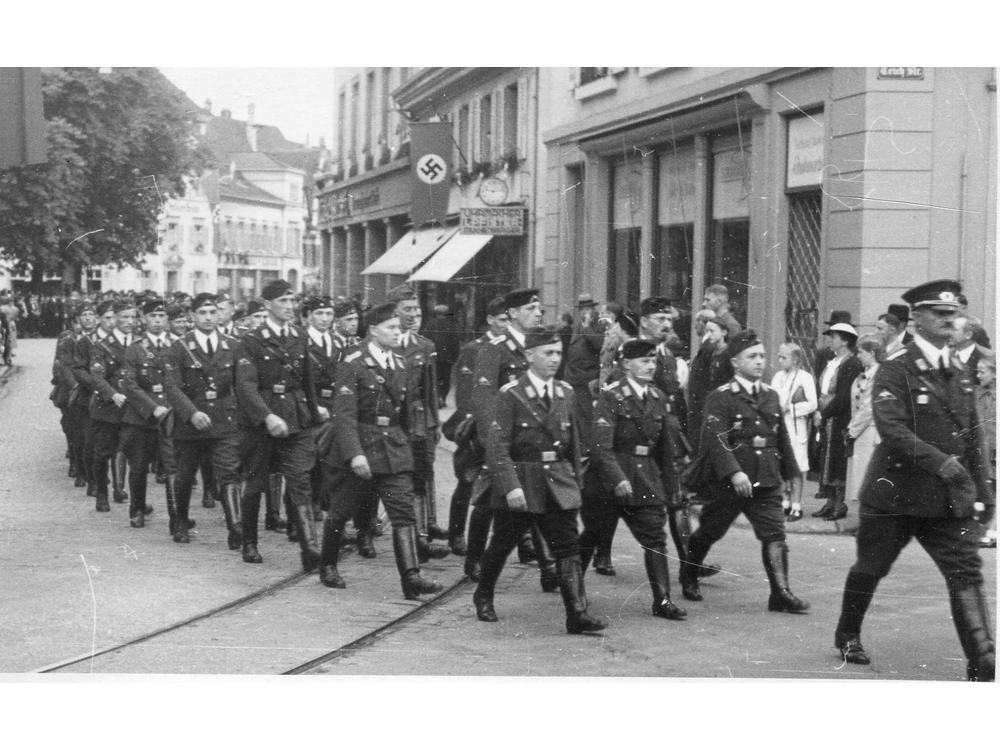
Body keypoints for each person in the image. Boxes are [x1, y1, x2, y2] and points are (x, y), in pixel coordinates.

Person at [833, 280, 995, 681]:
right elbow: (893, 430)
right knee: (871, 567)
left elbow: (974, 435)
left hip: (946, 502)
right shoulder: (895, 368)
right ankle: (847, 632)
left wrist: (986, 492)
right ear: (917, 319)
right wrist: (942, 463)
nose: (948, 320)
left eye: (953, 313)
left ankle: (983, 660)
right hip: (895, 497)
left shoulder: (960, 371)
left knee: (966, 571)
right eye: (939, 314)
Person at [473, 325, 607, 634]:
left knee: (568, 547)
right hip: (523, 481)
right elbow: (498, 446)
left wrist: (575, 479)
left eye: (558, 353)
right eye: (547, 353)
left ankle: (577, 613)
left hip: (557, 481)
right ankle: (483, 594)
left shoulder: (565, 391)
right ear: (529, 355)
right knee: (503, 543)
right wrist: (511, 487)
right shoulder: (511, 394)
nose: (554, 359)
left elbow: (574, 440)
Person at [317, 302, 443, 599]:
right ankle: (327, 565)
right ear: (373, 331)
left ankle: (411, 577)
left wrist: (412, 444)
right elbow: (344, 415)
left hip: (394, 447)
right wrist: (355, 454)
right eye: (392, 328)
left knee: (403, 513)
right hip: (360, 444)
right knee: (341, 512)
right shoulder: (353, 362)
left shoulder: (400, 362)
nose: (398, 333)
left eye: (399, 328)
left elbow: (407, 411)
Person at [679, 330, 808, 613]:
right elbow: (715, 438)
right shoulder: (721, 397)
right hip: (731, 481)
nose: (760, 361)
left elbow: (781, 437)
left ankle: (781, 593)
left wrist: (791, 474)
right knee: (712, 530)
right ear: (736, 363)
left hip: (766, 478)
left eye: (762, 356)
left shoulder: (771, 396)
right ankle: (689, 573)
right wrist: (734, 473)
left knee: (775, 534)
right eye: (752, 357)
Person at [581, 338, 688, 621]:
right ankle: (573, 590)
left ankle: (663, 600)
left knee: (655, 537)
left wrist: (673, 487)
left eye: (653, 361)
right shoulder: (611, 396)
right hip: (608, 481)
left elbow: (666, 450)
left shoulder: (658, 398)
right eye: (644, 361)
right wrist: (617, 479)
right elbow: (601, 447)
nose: (650, 366)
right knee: (592, 534)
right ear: (626, 364)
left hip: (645, 478)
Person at [468, 288, 556, 589]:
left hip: (535, 442)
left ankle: (549, 569)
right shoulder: (495, 349)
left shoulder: (543, 347)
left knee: (541, 502)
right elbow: (483, 400)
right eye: (532, 308)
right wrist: (491, 443)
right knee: (488, 502)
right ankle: (475, 559)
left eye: (540, 308)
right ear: (514, 314)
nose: (538, 313)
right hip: (502, 441)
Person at [236, 280, 325, 571]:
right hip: (261, 422)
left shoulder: (299, 336)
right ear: (267, 305)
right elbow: (246, 385)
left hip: (297, 419)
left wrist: (314, 414)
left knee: (300, 480)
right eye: (284, 301)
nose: (290, 307)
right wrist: (267, 417)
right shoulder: (251, 340)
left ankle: (310, 548)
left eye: (292, 301)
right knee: (256, 483)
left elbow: (308, 380)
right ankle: (249, 541)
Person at [162, 293, 243, 547]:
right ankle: (181, 520)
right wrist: (191, 413)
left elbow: (241, 384)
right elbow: (172, 387)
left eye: (213, 313)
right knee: (185, 476)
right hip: (190, 422)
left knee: (229, 473)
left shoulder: (232, 345)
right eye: (202, 313)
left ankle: (236, 528)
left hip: (224, 419)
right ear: (192, 317)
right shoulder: (179, 348)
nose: (209, 318)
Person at [388, 285, 449, 560]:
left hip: (417, 421)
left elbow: (430, 389)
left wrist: (433, 425)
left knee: (421, 475)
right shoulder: (381, 343)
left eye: (417, 310)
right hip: (389, 422)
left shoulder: (424, 346)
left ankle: (421, 537)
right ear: (394, 312)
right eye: (407, 310)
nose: (413, 315)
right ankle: (366, 530)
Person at [446, 296, 509, 555]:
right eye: (501, 320)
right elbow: (465, 394)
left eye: (509, 320)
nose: (506, 325)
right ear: (490, 320)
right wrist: (478, 421)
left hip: (502, 427)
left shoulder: (511, 348)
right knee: (467, 481)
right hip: (477, 427)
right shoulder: (474, 349)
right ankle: (456, 534)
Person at [119, 297, 182, 530]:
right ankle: (137, 510)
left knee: (173, 466)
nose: (157, 321)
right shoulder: (134, 349)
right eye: (152, 316)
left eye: (162, 316)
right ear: (144, 319)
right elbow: (129, 385)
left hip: (171, 415)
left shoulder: (177, 346)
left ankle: (177, 517)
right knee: (138, 466)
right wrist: (153, 407)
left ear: (167, 319)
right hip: (141, 417)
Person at [77, 299, 138, 512]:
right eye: (124, 317)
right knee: (103, 452)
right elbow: (97, 376)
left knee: (132, 453)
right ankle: (102, 493)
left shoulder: (141, 342)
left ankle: (126, 493)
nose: (129, 321)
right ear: (115, 320)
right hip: (109, 407)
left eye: (133, 317)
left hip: (135, 407)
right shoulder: (101, 346)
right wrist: (112, 395)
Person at [812, 321, 863, 520]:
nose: (830, 341)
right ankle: (830, 501)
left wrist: (824, 414)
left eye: (833, 337)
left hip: (839, 417)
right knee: (826, 457)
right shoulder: (832, 361)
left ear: (844, 341)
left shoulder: (851, 363)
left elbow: (843, 395)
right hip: (826, 414)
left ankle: (839, 504)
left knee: (837, 460)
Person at [841, 334, 885, 534]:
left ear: (872, 353)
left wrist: (851, 431)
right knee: (862, 479)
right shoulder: (865, 374)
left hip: (870, 432)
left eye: (861, 352)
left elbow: (868, 408)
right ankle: (865, 522)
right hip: (861, 432)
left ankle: (871, 524)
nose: (858, 356)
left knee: (868, 480)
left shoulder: (878, 375)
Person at [770, 342, 818, 520]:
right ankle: (785, 502)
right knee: (782, 464)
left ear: (796, 359)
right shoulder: (777, 377)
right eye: (779, 356)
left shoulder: (805, 377)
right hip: (779, 426)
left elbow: (812, 403)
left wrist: (790, 408)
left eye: (784, 357)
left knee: (797, 466)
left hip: (796, 426)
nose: (780, 360)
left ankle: (797, 506)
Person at [686, 314, 734, 454]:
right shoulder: (714, 351)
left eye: (712, 331)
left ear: (724, 332)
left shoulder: (727, 353)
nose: (709, 335)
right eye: (707, 331)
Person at [975, 353, 996, 548]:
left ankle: (992, 531)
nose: (978, 375)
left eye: (982, 372)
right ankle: (986, 530)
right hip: (984, 448)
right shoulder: (978, 393)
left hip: (995, 448)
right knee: (987, 490)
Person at [952, 315, 990, 385]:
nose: (949, 332)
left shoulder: (987, 357)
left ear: (968, 335)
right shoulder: (947, 355)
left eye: (954, 329)